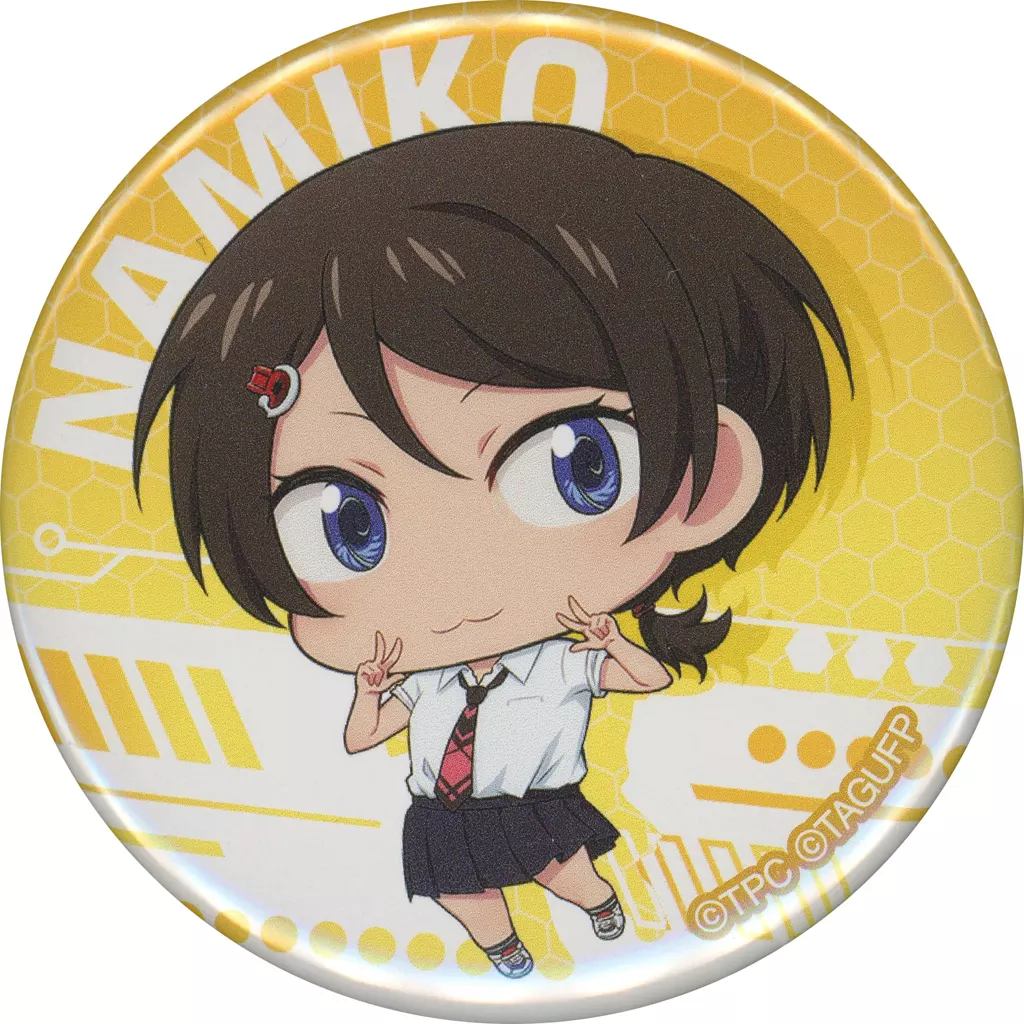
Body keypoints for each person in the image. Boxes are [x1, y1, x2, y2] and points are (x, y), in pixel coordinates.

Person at [133, 121, 850, 977]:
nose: (456, 586)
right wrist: (369, 693)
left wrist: (612, 641)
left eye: (576, 467)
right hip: (445, 811)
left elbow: (648, 681)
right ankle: (504, 951)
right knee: (460, 894)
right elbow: (364, 739)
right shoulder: (424, 677)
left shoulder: (561, 659)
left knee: (563, 871)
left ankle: (599, 903)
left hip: (533, 801)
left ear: (710, 480)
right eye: (346, 526)